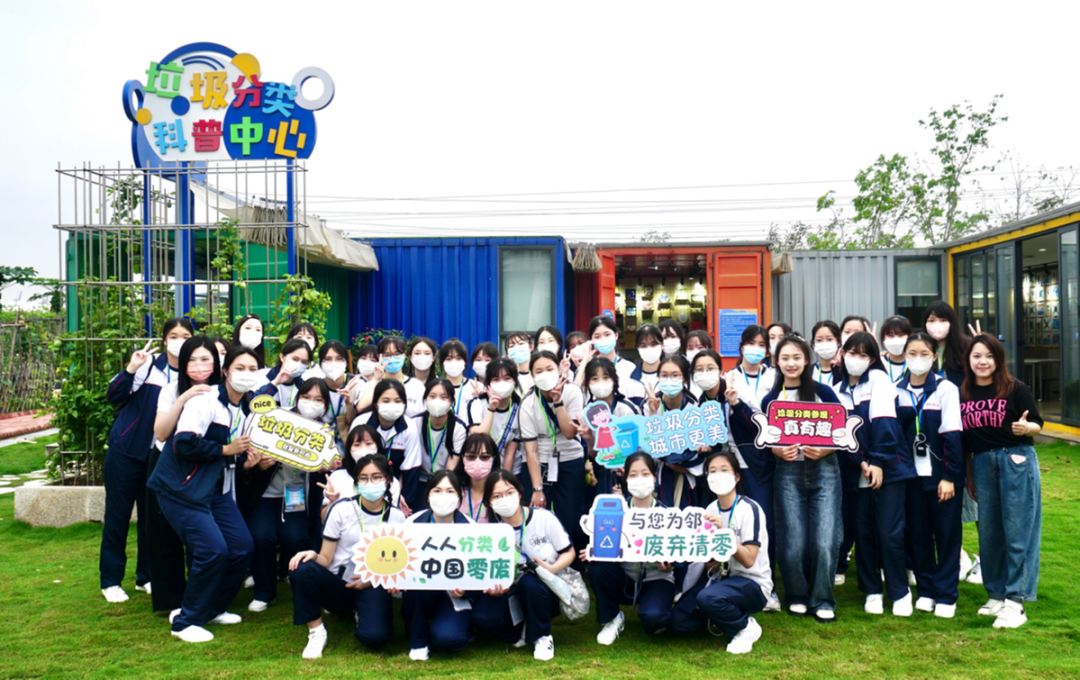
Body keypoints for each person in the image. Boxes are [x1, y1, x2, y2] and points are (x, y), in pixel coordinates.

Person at [146, 345, 259, 643]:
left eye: (252, 369)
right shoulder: (206, 399)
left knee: (242, 547)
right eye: (239, 368)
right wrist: (225, 449)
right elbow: (183, 441)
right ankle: (185, 621)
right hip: (181, 489)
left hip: (216, 490)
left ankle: (211, 609)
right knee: (212, 550)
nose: (246, 374)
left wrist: (244, 462)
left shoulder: (247, 409)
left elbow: (230, 456)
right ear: (225, 371)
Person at [100, 317, 194, 603]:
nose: (179, 341)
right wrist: (131, 368)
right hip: (126, 451)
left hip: (159, 457)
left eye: (185, 336)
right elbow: (113, 396)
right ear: (164, 340)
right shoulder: (149, 365)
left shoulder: (191, 373)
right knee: (117, 516)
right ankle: (111, 580)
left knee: (151, 519)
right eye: (173, 336)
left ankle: (146, 577)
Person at [961, 334, 1043, 629]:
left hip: (1015, 460)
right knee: (990, 534)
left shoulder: (1014, 388)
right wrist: (969, 474)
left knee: (1019, 532)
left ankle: (1016, 602)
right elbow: (965, 439)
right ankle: (996, 595)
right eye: (977, 356)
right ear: (968, 360)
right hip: (982, 463)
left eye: (989, 356)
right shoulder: (963, 392)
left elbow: (1037, 423)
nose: (983, 361)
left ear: (999, 360)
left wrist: (1025, 427)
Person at [288, 453, 406, 658]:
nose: (370, 483)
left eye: (376, 477)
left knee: (375, 638)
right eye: (363, 478)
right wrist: (313, 555)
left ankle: (361, 610)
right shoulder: (341, 509)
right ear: (356, 482)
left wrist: (370, 580)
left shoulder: (397, 517)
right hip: (338, 583)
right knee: (302, 567)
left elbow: (396, 564)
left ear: (387, 480)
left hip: (372, 583)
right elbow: (325, 558)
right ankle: (316, 631)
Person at [763, 335, 843, 622]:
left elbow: (843, 432)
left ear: (807, 360)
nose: (791, 363)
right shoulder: (772, 399)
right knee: (792, 539)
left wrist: (826, 448)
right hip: (788, 472)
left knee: (825, 539)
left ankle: (822, 599)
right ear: (776, 362)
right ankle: (797, 595)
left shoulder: (824, 392)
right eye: (785, 358)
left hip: (824, 470)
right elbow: (766, 438)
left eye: (797, 357)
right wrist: (776, 450)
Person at [239, 379, 330, 613]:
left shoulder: (324, 433)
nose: (311, 403)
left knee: (296, 537)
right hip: (266, 494)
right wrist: (259, 465)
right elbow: (247, 458)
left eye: (318, 400)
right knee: (261, 536)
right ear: (297, 398)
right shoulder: (276, 419)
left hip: (296, 496)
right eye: (306, 397)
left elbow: (329, 467)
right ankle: (264, 592)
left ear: (326, 405)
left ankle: (294, 578)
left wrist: (325, 467)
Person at [834, 331, 907, 616]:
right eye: (852, 353)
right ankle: (872, 590)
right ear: (842, 355)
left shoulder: (878, 380)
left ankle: (899, 592)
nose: (856, 359)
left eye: (864, 355)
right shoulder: (836, 389)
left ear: (873, 359)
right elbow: (840, 435)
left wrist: (876, 461)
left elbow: (885, 424)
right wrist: (860, 462)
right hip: (856, 472)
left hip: (887, 469)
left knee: (889, 533)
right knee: (863, 533)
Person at [672, 451, 771, 654]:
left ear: (737, 476)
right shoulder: (710, 509)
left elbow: (749, 560)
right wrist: (705, 556)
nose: (718, 475)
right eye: (712, 471)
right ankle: (721, 616)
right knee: (679, 621)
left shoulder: (750, 509)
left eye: (724, 470)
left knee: (708, 598)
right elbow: (714, 563)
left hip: (752, 583)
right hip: (722, 578)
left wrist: (724, 534)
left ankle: (745, 627)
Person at [895, 332, 964, 618]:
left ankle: (946, 595)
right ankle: (926, 590)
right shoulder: (896, 391)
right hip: (911, 478)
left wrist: (950, 476)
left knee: (947, 535)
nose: (918, 359)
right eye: (912, 353)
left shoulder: (946, 389)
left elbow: (953, 435)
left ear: (934, 357)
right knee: (918, 535)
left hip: (941, 478)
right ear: (904, 356)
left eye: (924, 354)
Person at [471, 470, 574, 661]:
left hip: (546, 588)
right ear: (489, 502)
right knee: (482, 617)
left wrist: (551, 569)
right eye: (497, 496)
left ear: (519, 493)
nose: (505, 499)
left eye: (509, 492)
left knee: (529, 582)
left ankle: (542, 636)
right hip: (511, 591)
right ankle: (520, 634)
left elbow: (569, 552)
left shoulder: (544, 518)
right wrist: (495, 588)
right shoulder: (490, 533)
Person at [148, 335, 218, 615]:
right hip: (169, 466)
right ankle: (170, 600)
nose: (199, 366)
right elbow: (161, 432)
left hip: (205, 467)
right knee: (164, 535)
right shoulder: (170, 389)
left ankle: (200, 598)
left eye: (205, 359)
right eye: (192, 360)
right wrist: (183, 398)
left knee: (201, 536)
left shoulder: (223, 390)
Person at [583, 453, 675, 645]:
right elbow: (604, 542)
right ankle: (612, 618)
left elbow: (680, 556)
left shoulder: (668, 515)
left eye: (645, 474)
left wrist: (670, 566)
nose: (639, 479)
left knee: (654, 620)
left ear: (654, 477)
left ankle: (657, 607)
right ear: (625, 478)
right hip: (625, 577)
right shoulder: (616, 511)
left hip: (656, 578)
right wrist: (594, 551)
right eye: (633, 474)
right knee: (597, 568)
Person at [402, 470, 474, 661]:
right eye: (437, 490)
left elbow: (477, 571)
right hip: (421, 592)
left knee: (449, 639)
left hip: (453, 595)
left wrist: (466, 589)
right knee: (414, 586)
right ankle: (418, 642)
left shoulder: (471, 527)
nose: (443, 496)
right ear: (427, 495)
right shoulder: (412, 523)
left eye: (450, 491)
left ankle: (462, 629)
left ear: (459, 497)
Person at [519, 350, 587, 552]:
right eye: (538, 371)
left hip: (570, 459)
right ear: (532, 375)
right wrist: (537, 489)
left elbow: (569, 433)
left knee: (571, 514)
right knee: (538, 513)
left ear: (559, 369)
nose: (544, 374)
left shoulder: (573, 391)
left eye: (549, 369)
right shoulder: (528, 402)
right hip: (540, 462)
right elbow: (530, 450)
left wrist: (558, 402)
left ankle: (573, 562)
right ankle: (541, 558)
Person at [351, 379, 424, 513]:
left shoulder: (409, 427)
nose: (392, 405)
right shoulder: (361, 422)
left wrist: (402, 501)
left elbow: (411, 469)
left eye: (397, 401)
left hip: (395, 488)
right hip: (363, 484)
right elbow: (352, 461)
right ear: (375, 404)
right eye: (385, 401)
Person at [577, 357, 642, 495]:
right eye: (594, 379)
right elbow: (595, 455)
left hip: (631, 471)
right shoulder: (586, 414)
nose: (600, 383)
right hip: (603, 474)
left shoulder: (627, 409)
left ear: (614, 382)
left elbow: (640, 445)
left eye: (606, 377)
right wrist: (590, 439)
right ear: (588, 385)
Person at [644, 356, 701, 509]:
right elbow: (647, 445)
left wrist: (678, 464)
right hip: (657, 475)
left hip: (687, 478)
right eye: (664, 375)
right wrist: (653, 414)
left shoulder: (695, 409)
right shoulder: (649, 405)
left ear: (684, 379)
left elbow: (697, 451)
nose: (669, 380)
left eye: (675, 375)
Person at [467, 357, 523, 473]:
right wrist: (491, 409)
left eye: (507, 378)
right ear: (488, 383)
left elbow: (510, 453)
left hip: (509, 471)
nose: (502, 383)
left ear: (515, 381)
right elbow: (478, 437)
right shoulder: (477, 404)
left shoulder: (519, 409)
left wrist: (504, 478)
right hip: (480, 469)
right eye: (496, 379)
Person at [416, 378, 468, 483]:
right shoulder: (415, 422)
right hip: (418, 479)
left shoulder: (459, 427)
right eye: (432, 396)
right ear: (425, 399)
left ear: (452, 401)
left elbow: (451, 466)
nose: (437, 401)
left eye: (444, 397)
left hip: (445, 480)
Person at [923, 301, 969, 388]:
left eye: (943, 320)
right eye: (931, 320)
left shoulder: (965, 346)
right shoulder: (922, 348)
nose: (937, 325)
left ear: (952, 323)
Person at [315, 340, 352, 443]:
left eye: (339, 359)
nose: (333, 363)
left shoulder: (356, 384)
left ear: (346, 362)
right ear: (320, 362)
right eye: (328, 359)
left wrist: (349, 404)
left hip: (349, 442)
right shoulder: (316, 387)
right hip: (320, 441)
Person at [259, 338, 314, 408]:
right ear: (282, 357)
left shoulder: (303, 387)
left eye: (304, 362)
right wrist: (274, 383)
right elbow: (252, 404)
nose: (299, 365)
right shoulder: (262, 376)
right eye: (295, 359)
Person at [458, 433, 498, 522]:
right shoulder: (455, 490)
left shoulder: (501, 492)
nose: (477, 462)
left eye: (484, 457)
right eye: (471, 457)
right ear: (463, 459)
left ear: (493, 459)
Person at [438, 338, 479, 417]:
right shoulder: (435, 388)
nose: (454, 362)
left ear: (465, 362)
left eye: (458, 358)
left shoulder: (477, 387)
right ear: (442, 363)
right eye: (449, 359)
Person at [881, 316, 913, 383]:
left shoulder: (915, 363)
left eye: (901, 335)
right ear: (883, 338)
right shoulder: (879, 362)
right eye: (890, 335)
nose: (895, 339)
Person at [810, 321, 841, 385]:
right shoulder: (808, 372)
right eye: (819, 340)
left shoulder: (845, 371)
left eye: (829, 339)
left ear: (838, 342)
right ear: (813, 343)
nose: (824, 343)